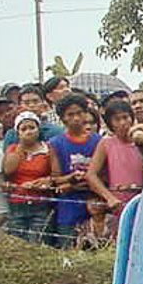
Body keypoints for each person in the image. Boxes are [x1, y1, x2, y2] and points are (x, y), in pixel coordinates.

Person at [86, 98, 143, 242]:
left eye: (125, 117)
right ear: (110, 124)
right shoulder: (107, 143)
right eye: (117, 119)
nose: (123, 123)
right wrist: (109, 197)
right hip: (119, 203)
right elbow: (91, 175)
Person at [48, 93, 100, 247]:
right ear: (63, 118)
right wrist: (71, 178)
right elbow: (56, 178)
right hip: (68, 205)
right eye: (71, 114)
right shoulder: (55, 143)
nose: (76, 118)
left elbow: (103, 172)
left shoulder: (98, 141)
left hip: (93, 202)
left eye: (79, 113)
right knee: (68, 249)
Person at [3, 111, 55, 242]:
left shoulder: (47, 149)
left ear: (38, 129)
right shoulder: (12, 148)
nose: (28, 132)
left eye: (32, 128)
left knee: (37, 241)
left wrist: (46, 181)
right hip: (17, 203)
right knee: (16, 242)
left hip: (41, 203)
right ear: (18, 132)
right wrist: (21, 148)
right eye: (23, 129)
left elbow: (56, 175)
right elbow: (8, 170)